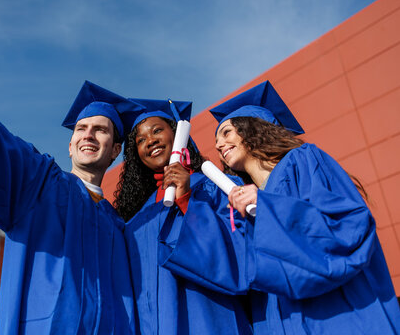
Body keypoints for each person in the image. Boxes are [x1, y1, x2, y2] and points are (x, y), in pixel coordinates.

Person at [0, 3, 144, 334]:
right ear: (70, 145)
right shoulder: (40, 184)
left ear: (114, 150)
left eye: (101, 130)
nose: (88, 135)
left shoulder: (121, 229)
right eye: (81, 129)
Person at [158, 81, 400, 334]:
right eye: (217, 139)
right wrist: (186, 199)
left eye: (227, 132)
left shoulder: (303, 159)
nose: (219, 145)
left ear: (254, 128)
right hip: (276, 319)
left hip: (335, 315)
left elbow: (346, 228)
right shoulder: (240, 201)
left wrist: (267, 207)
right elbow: (237, 267)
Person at [114, 99, 253, 334]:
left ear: (178, 135)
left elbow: (240, 253)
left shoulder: (218, 187)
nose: (151, 141)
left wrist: (188, 200)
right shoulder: (136, 220)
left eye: (157, 130)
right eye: (141, 140)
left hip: (211, 318)